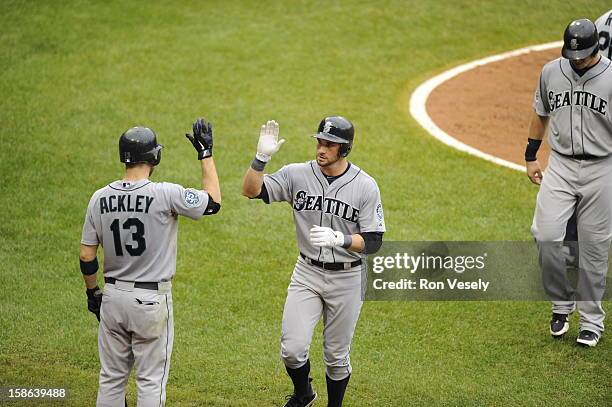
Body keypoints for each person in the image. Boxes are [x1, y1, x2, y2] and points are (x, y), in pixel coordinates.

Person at [242, 117, 386, 406]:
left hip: (347, 278)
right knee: (292, 350)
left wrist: (341, 240)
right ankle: (304, 393)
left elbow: (373, 241)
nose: (321, 149)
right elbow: (251, 190)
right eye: (319, 142)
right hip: (307, 272)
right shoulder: (296, 174)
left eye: (329, 144)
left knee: (336, 356)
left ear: (344, 149)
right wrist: (260, 159)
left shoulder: (365, 186)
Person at [79, 119, 221, 406]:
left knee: (111, 378)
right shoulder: (165, 193)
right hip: (150, 302)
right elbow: (213, 202)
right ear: (154, 157)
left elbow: (86, 255)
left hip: (113, 298)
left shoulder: (99, 198)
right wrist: (205, 154)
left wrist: (93, 292)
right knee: (150, 381)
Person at [526, 19, 612, 347]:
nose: (577, 60)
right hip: (560, 164)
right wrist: (531, 154)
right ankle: (561, 302)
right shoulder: (551, 71)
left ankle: (592, 321)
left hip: (602, 167)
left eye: (584, 56)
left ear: (597, 49)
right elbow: (540, 110)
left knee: (593, 247)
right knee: (545, 235)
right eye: (573, 55)